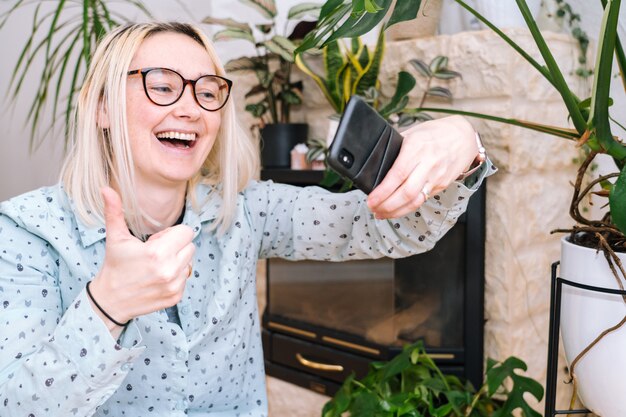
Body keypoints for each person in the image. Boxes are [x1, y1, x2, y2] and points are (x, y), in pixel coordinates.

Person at [0, 21, 494, 417]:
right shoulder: (26, 234)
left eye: (207, 91)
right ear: (102, 107)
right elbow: (18, 405)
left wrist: (462, 143)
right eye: (163, 86)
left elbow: (394, 231)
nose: (191, 108)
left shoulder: (247, 209)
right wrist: (106, 308)